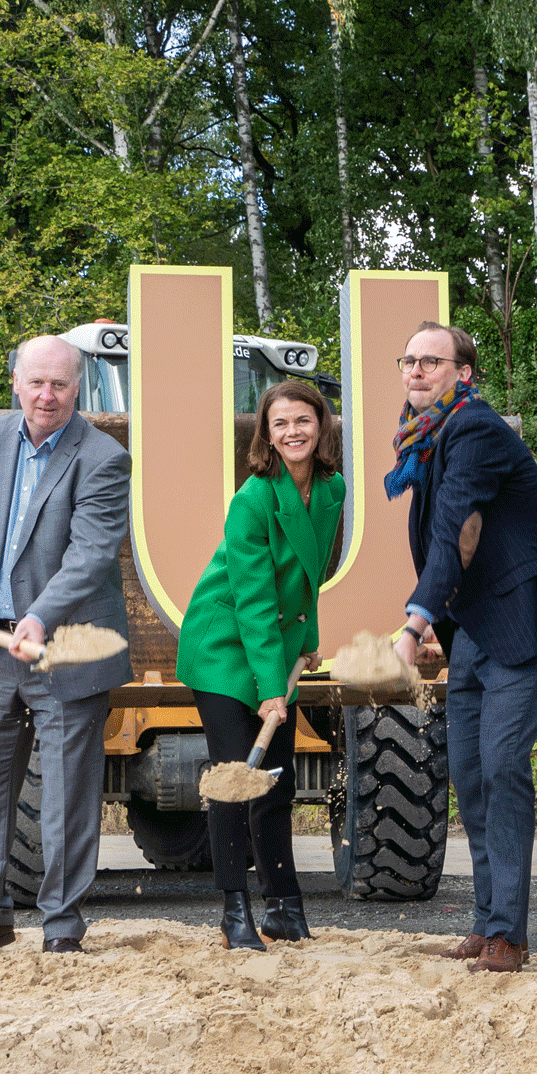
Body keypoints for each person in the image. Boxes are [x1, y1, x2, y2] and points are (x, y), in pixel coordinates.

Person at [389, 321, 537, 974]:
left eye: (432, 361)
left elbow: (452, 530)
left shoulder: (472, 428)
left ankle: (509, 934)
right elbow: (458, 537)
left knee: (502, 764)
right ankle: (485, 919)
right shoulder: (426, 437)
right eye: (409, 360)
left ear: (464, 374)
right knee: (468, 773)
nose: (417, 371)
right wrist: (439, 617)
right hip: (475, 624)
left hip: (526, 618)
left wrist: (415, 623)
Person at [0, 334, 132, 957]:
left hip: (68, 648)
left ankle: (62, 925)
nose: (47, 395)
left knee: (68, 792)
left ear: (79, 389)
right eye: (37, 382)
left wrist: (40, 617)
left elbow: (92, 556)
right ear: (15, 381)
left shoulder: (103, 457)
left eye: (61, 384)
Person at [177, 381, 345, 950]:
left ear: (320, 426)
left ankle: (285, 907)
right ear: (266, 436)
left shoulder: (331, 489)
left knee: (276, 781)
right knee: (236, 779)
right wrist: (273, 689)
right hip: (224, 645)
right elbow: (252, 600)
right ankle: (234, 912)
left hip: (276, 645)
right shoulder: (252, 498)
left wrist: (310, 641)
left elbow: (309, 579)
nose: (293, 431)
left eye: (304, 420)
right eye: (281, 424)